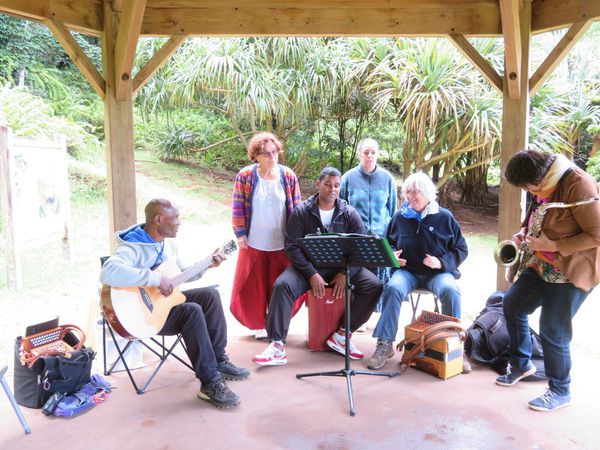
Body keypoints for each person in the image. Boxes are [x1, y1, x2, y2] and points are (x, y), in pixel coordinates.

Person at [100, 199, 249, 409]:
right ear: (158, 220)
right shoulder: (132, 246)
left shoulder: (168, 243)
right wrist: (154, 279)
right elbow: (108, 272)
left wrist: (208, 265)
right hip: (143, 317)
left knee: (210, 296)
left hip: (164, 306)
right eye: (175, 218)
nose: (179, 222)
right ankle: (210, 383)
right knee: (192, 311)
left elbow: (179, 276)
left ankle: (218, 360)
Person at [495, 149, 600, 412]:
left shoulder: (578, 184)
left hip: (571, 268)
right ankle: (521, 364)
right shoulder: (544, 182)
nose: (530, 192)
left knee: (553, 330)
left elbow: (597, 235)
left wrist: (553, 244)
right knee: (513, 305)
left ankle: (560, 390)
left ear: (541, 177)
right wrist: (523, 231)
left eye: (529, 187)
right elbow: (537, 212)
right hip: (542, 263)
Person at [252, 167, 383, 365]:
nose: (332, 189)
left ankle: (342, 335)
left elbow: (360, 248)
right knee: (282, 286)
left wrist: (345, 273)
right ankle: (277, 346)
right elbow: (292, 247)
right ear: (317, 184)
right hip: (308, 268)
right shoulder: (302, 211)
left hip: (342, 267)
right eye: (327, 184)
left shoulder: (349, 213)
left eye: (336, 186)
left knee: (374, 285)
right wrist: (311, 274)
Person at [367, 172, 468, 371]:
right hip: (408, 272)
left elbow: (461, 249)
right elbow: (387, 244)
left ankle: (456, 348)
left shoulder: (444, 217)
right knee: (393, 288)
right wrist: (392, 256)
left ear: (428, 193)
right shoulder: (400, 216)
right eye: (408, 193)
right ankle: (385, 344)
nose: (411, 197)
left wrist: (440, 262)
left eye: (416, 193)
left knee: (450, 291)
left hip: (438, 275)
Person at [230, 132, 302, 340]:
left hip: (281, 242)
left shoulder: (288, 176)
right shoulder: (245, 176)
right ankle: (259, 324)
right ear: (256, 156)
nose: (272, 157)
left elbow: (297, 210)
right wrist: (240, 233)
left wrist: (296, 238)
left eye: (275, 152)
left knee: (280, 285)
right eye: (266, 154)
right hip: (254, 241)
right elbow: (237, 207)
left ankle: (277, 322)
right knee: (254, 286)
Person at [340, 137, 397, 317]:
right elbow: (341, 207)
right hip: (356, 237)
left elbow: (392, 209)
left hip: (380, 237)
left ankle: (372, 314)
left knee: (379, 280)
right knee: (359, 278)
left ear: (377, 154)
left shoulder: (387, 178)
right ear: (359, 154)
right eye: (366, 152)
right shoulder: (348, 177)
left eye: (373, 152)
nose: (369, 156)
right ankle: (357, 314)